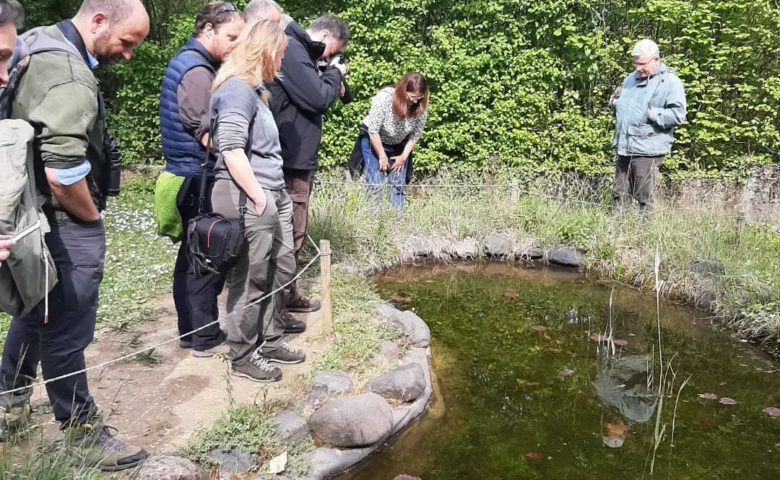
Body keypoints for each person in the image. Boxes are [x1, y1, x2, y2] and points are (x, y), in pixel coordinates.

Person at [0, 0, 150, 470]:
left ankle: (9, 402)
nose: (128, 54)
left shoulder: (39, 40)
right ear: (99, 20)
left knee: (37, 307)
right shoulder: (70, 74)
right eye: (126, 42)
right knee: (68, 326)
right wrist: (90, 219)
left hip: (33, 213)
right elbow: (63, 174)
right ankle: (83, 433)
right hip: (61, 217)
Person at [209, 17, 306, 383]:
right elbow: (231, 149)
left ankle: (270, 338)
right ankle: (243, 353)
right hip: (252, 196)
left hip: (272, 191)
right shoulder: (236, 90)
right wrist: (258, 197)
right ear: (265, 51)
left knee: (282, 267)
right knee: (252, 275)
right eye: (279, 55)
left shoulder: (256, 91)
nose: (281, 63)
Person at [158, 2, 245, 358]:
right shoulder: (196, 71)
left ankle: (192, 331)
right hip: (194, 176)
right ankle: (203, 335)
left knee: (192, 256)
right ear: (208, 30)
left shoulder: (192, 62)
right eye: (232, 37)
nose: (236, 45)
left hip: (188, 172)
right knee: (204, 256)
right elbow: (206, 134)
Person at [268, 14, 349, 313]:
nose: (328, 57)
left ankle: (284, 296)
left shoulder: (302, 52)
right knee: (291, 229)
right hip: (291, 157)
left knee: (293, 227)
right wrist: (334, 73)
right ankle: (280, 303)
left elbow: (340, 95)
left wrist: (332, 74)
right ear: (325, 37)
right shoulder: (293, 49)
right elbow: (317, 99)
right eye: (331, 51)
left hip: (295, 154)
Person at [611, 39, 686, 211]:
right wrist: (614, 103)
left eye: (642, 64)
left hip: (647, 149)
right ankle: (617, 227)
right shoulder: (630, 79)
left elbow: (677, 115)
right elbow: (623, 103)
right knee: (618, 193)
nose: (638, 68)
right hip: (624, 146)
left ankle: (644, 228)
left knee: (643, 197)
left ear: (656, 60)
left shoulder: (670, 82)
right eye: (636, 64)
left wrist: (650, 113)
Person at [361, 72, 429, 208]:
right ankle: (372, 216)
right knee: (375, 183)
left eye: (419, 98)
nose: (415, 102)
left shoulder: (420, 105)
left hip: (399, 144)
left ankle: (397, 217)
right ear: (403, 92)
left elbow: (415, 135)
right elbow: (373, 130)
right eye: (412, 97)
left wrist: (403, 157)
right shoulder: (384, 98)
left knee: (397, 184)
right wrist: (382, 156)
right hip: (375, 141)